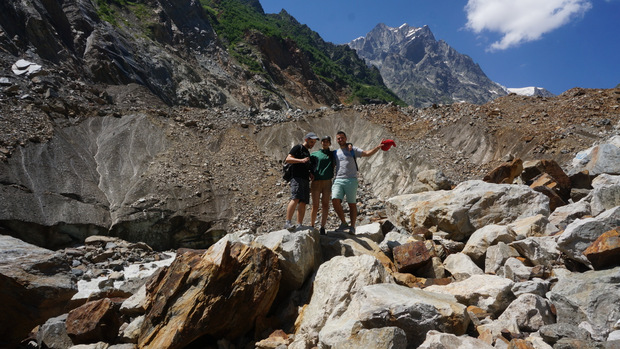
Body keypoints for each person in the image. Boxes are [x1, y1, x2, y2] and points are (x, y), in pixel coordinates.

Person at [331, 131, 382, 233]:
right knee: (335, 200)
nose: (340, 140)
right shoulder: (335, 153)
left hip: (351, 180)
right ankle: (344, 223)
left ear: (346, 138)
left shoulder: (353, 149)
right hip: (338, 179)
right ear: (336, 140)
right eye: (338, 138)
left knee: (352, 204)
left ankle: (352, 227)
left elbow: (366, 154)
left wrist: (377, 147)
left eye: (342, 138)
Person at [284, 132, 319, 230]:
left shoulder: (307, 152)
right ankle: (287, 222)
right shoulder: (297, 148)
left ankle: (299, 224)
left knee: (303, 201)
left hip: (305, 178)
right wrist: (301, 160)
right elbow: (288, 159)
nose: (312, 144)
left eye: (314, 143)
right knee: (295, 198)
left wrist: (310, 173)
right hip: (296, 177)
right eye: (311, 142)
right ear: (306, 140)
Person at [310, 136, 334, 235]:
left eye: (327, 141)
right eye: (323, 141)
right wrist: (309, 173)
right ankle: (311, 226)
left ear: (330, 143)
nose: (325, 143)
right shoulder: (314, 154)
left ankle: (322, 227)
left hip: (327, 182)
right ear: (321, 143)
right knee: (315, 205)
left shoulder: (333, 154)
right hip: (316, 182)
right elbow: (309, 166)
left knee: (325, 205)